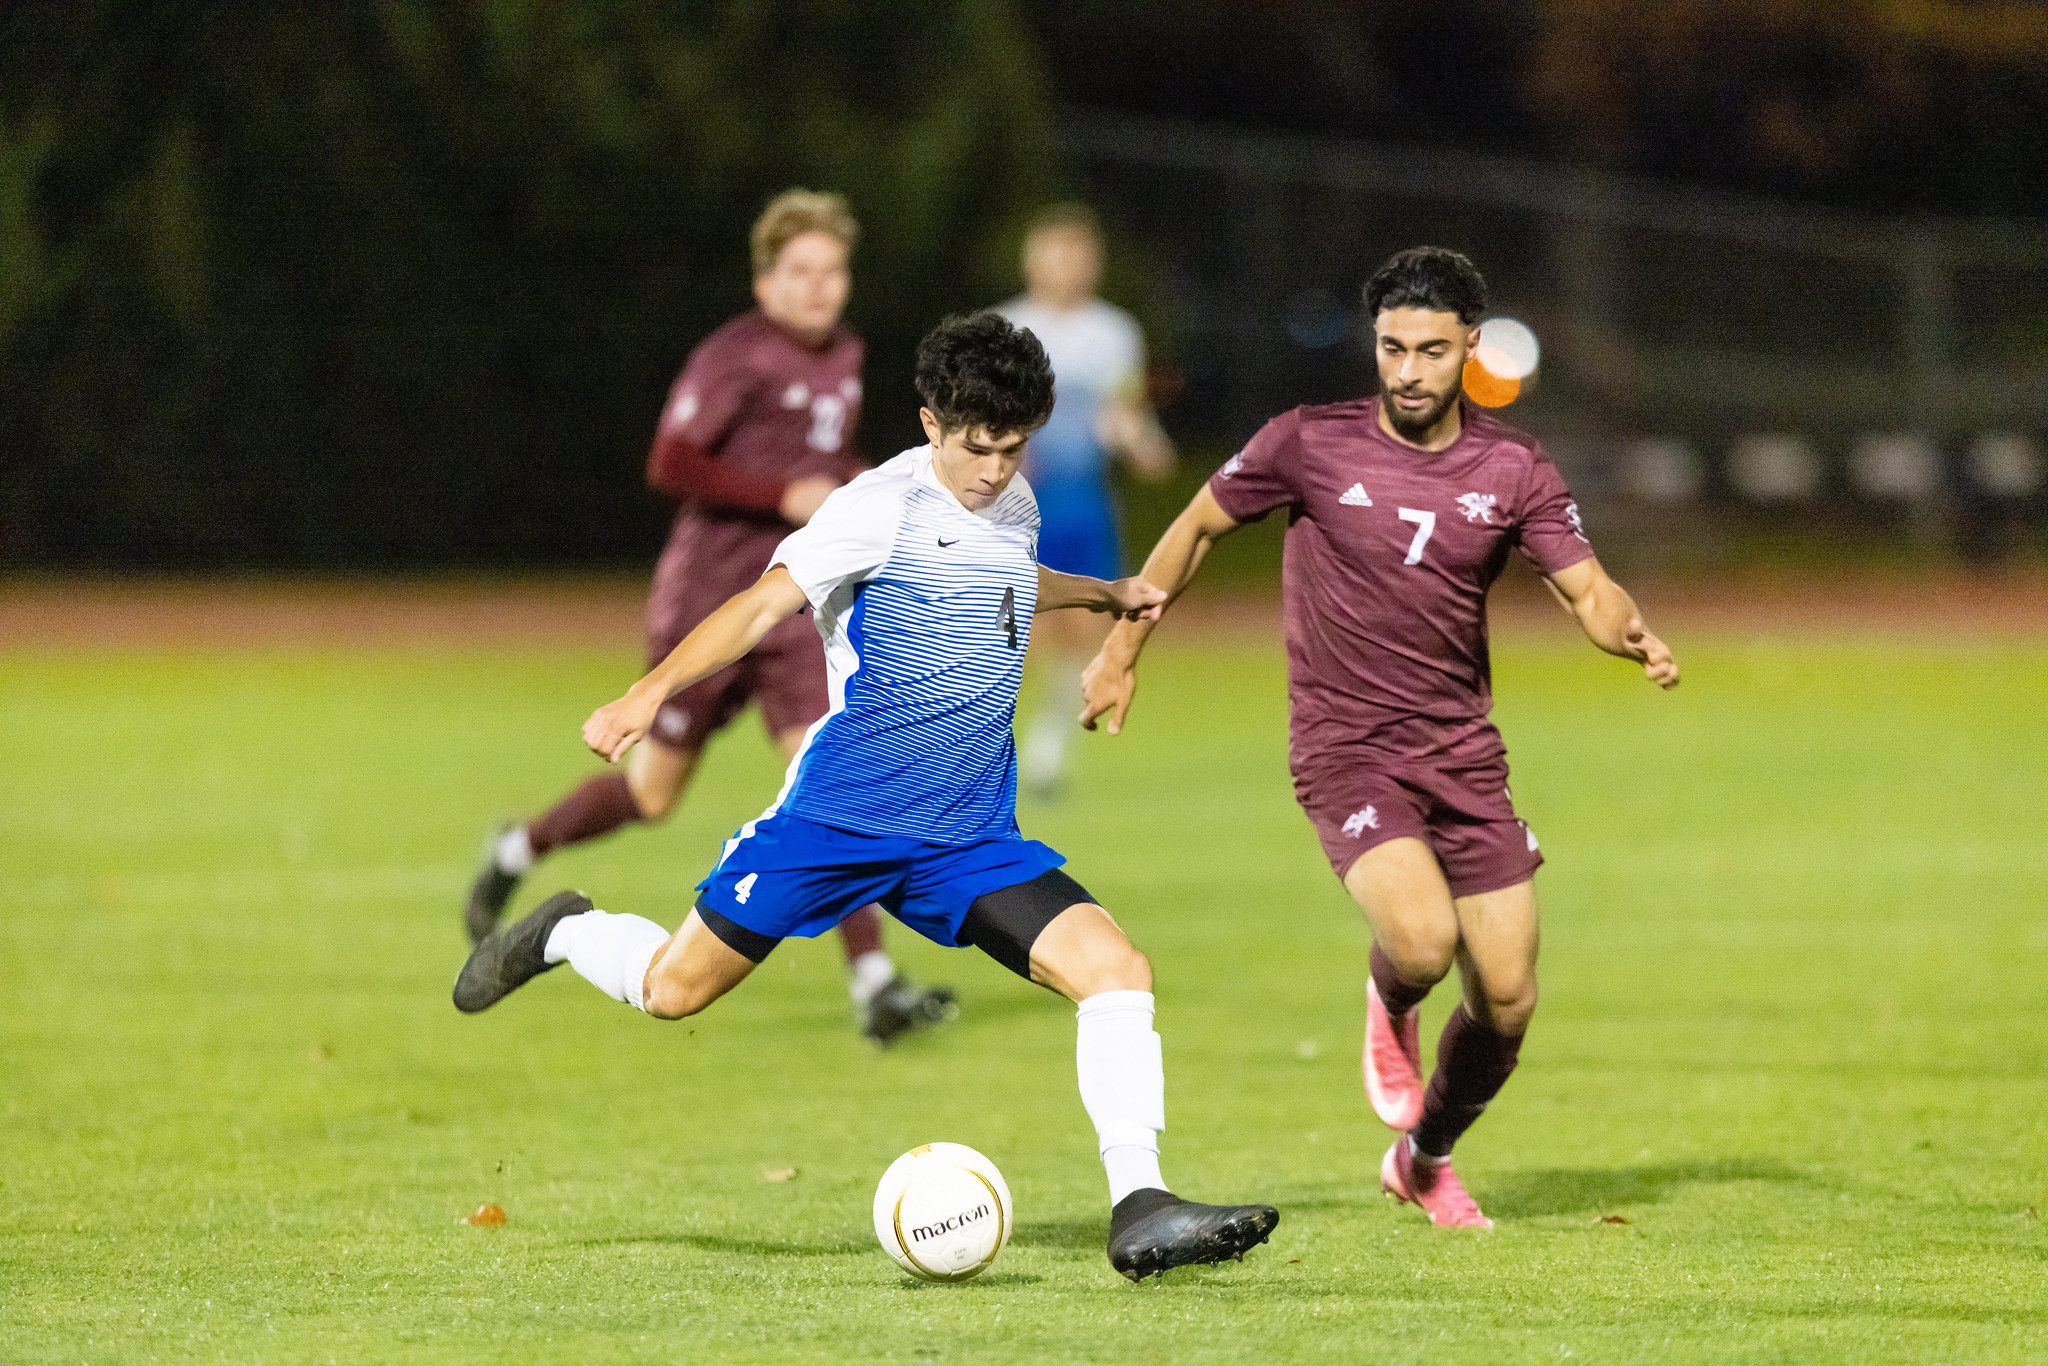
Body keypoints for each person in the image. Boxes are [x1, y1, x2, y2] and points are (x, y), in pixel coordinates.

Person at [452, 312, 1280, 1280]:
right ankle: (560, 930)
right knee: (672, 990)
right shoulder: (873, 507)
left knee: (1115, 971)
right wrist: (648, 691)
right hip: (837, 821)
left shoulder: (1012, 504)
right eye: (975, 448)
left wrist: (1098, 595)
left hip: (966, 836)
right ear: (928, 422)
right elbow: (761, 603)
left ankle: (1140, 1206)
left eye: (1012, 449)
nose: (993, 469)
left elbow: (1004, 578)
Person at [1081, 247, 1679, 1229]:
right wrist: (1120, 649)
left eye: (1430, 351)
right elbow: (1190, 530)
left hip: (1461, 755)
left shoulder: (1511, 467)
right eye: (1390, 348)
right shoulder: (1305, 443)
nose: (1406, 371)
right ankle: (1387, 994)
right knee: (1421, 939)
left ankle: (1423, 1156)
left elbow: (1585, 585)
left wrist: (1626, 631)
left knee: (1510, 995)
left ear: (1469, 351)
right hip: (1344, 743)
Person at [463, 189, 953, 1046]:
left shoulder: (845, 353)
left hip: (796, 598)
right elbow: (671, 459)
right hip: (713, 601)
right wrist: (781, 494)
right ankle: (521, 846)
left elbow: (821, 460)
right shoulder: (736, 355)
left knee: (829, 774)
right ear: (765, 281)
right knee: (652, 793)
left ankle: (874, 983)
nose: (818, 287)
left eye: (832, 271)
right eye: (800, 271)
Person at [995, 204, 1174, 799]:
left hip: (1083, 500)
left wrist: (1147, 446)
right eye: (1055, 252)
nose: (1067, 266)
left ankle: (1046, 751)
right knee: (1003, 630)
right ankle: (977, 751)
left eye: (1078, 254)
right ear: (1032, 257)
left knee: (1082, 630)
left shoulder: (1114, 332)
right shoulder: (1006, 326)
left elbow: (1121, 413)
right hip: (1014, 502)